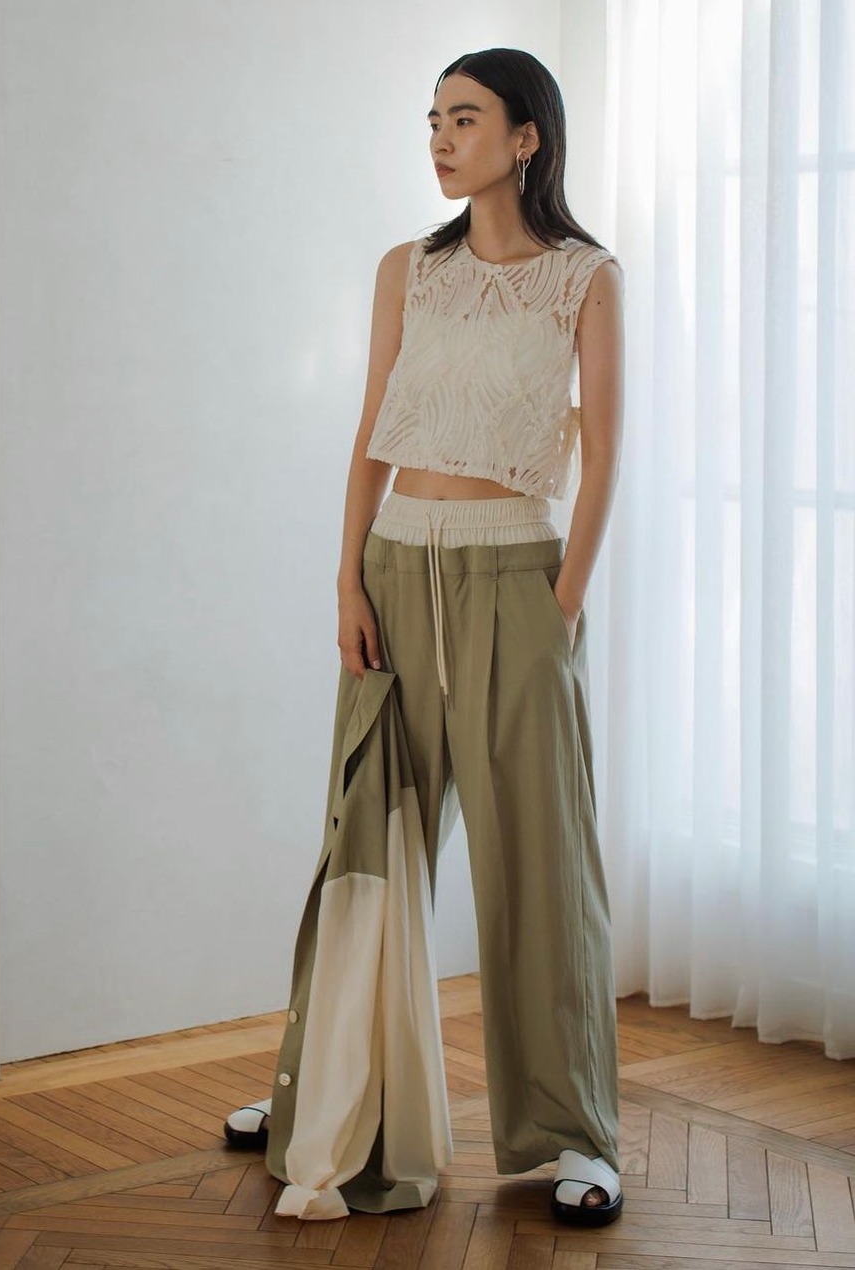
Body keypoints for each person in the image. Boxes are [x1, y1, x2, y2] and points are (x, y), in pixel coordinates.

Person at [223, 48, 626, 1226]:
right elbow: (371, 430)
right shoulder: (406, 269)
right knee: (364, 844)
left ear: (524, 138)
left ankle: (571, 1135)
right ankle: (322, 1094)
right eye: (432, 120)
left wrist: (561, 604)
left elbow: (605, 449)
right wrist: (345, 578)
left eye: (464, 118)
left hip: (515, 579)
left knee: (539, 863)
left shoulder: (584, 278)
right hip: (396, 572)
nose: (440, 139)